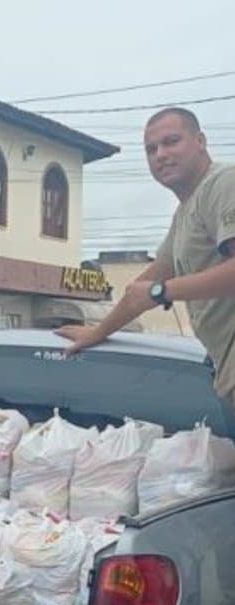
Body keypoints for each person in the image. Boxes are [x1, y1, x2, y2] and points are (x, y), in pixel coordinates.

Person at [58, 108, 235, 408]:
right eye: (151, 149)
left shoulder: (223, 184)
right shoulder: (185, 214)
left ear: (201, 141)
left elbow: (152, 289)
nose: (161, 154)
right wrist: (98, 332)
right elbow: (141, 288)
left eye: (172, 141)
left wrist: (161, 292)